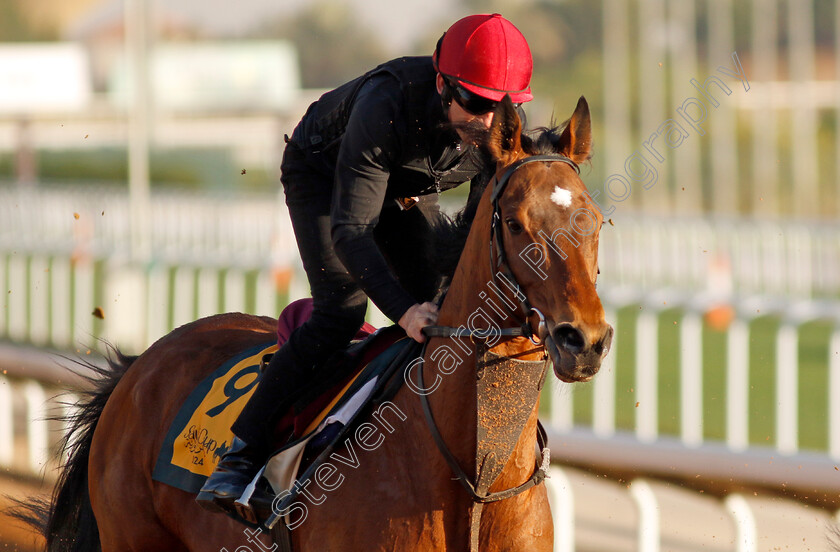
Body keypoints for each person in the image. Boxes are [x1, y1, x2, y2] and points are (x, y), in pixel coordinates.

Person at [196, 13, 534, 514]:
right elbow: (352, 230)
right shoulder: (386, 105)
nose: (487, 122)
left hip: (407, 189)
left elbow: (475, 233)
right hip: (325, 177)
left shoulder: (497, 131)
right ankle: (241, 457)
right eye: (476, 103)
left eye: (501, 107)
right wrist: (401, 310)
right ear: (442, 84)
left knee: (439, 308)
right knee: (342, 312)